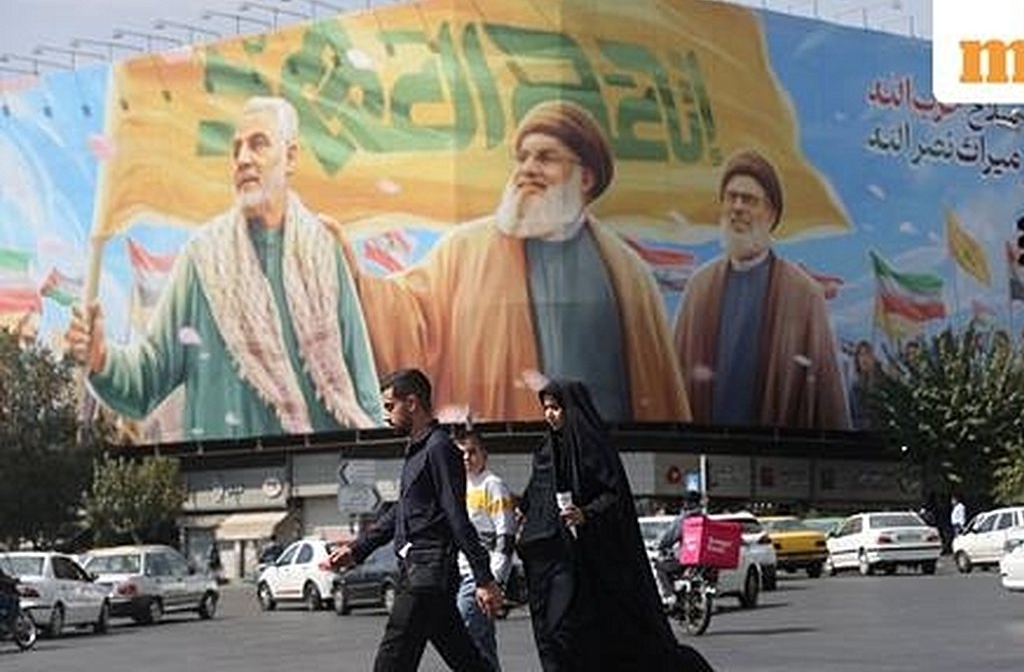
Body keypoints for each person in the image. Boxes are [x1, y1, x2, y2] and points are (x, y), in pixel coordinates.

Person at [334, 100, 689, 424]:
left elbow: (658, 393)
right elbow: (408, 317)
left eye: (546, 158)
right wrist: (351, 281)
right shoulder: (464, 251)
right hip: (502, 452)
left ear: (586, 177)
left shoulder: (628, 274)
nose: (528, 169)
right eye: (523, 158)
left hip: (609, 455)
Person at [65, 96, 381, 440]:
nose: (243, 159)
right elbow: (147, 379)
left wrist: (382, 459)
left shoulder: (324, 252)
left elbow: (363, 391)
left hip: (325, 468)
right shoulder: (202, 259)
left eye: (258, 144)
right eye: (236, 149)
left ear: (290, 157)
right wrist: (102, 360)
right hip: (224, 469)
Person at [517, 379, 713, 671]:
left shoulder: (592, 446)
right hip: (561, 558)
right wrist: (523, 509)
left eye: (556, 408)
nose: (550, 415)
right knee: (558, 632)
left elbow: (614, 495)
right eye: (546, 408)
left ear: (572, 409)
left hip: (599, 560)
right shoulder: (547, 449)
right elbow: (538, 489)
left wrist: (586, 514)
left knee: (621, 635)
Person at [326, 369, 503, 672]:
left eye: (389, 406)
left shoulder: (439, 448)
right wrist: (357, 549)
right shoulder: (418, 450)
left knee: (391, 660)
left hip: (427, 574)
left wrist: (483, 578)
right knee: (467, 660)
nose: (386, 415)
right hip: (421, 572)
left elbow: (456, 516)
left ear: (411, 403)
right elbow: (401, 513)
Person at [674, 149, 849, 429]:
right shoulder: (699, 288)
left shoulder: (803, 295)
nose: (738, 207)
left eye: (749, 200)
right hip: (705, 446)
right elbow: (674, 386)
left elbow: (827, 401)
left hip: (775, 450)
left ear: (771, 214)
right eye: (731, 197)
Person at [454, 429, 516, 672]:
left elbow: (506, 534)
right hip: (459, 573)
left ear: (484, 455)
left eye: (472, 452)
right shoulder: (458, 487)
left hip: (481, 577)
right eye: (461, 453)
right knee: (480, 642)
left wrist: (495, 579)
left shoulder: (493, 485)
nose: (466, 458)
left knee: (468, 629)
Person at [653, 490, 704, 605]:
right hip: (704, 560)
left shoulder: (683, 519)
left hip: (687, 559)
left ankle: (669, 595)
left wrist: (662, 546)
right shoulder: (704, 518)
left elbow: (669, 537)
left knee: (660, 567)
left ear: (687, 503)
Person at [849, 340, 884, 429]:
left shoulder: (882, 381)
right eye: (860, 354)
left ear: (872, 357)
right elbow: (852, 416)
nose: (864, 358)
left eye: (867, 354)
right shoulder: (855, 387)